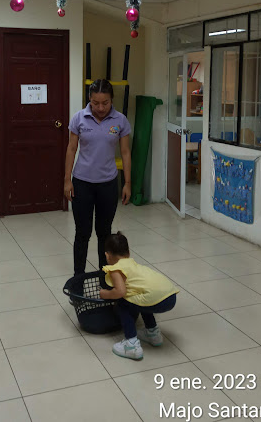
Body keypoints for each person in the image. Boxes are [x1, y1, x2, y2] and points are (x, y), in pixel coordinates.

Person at [64, 79, 131, 276]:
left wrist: (127, 183)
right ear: (89, 99)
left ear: (112, 100)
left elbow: (125, 152)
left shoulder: (120, 120)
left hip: (108, 184)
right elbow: (71, 149)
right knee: (82, 233)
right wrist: (67, 180)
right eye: (95, 103)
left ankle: (105, 277)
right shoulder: (79, 118)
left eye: (105, 103)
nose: (100, 108)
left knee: (104, 233)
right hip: (82, 183)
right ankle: (78, 277)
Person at [100, 232, 179, 361]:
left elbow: (120, 292)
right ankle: (153, 333)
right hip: (170, 295)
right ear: (128, 253)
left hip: (155, 298)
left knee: (123, 304)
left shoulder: (115, 269)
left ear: (107, 256)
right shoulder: (133, 264)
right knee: (140, 299)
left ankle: (131, 345)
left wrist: (106, 294)